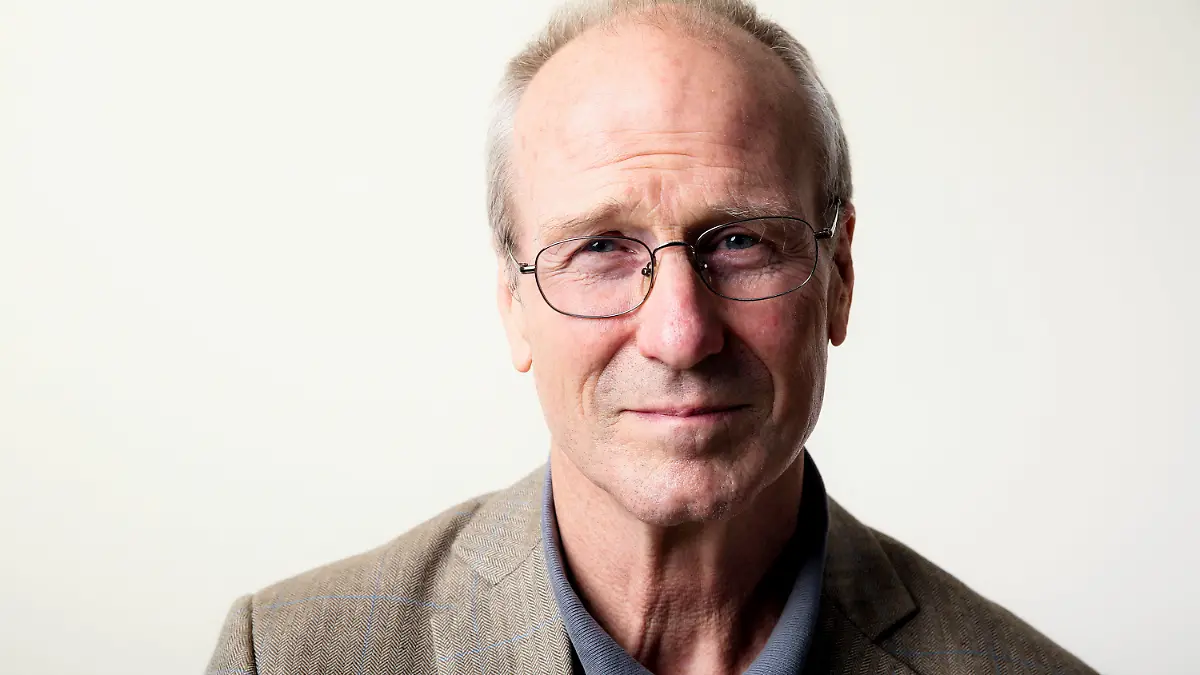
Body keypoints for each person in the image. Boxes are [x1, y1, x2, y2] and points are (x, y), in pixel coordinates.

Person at [207, 1, 1099, 673]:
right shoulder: (287, 655)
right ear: (513, 302)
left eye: (740, 241)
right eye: (600, 247)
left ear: (840, 276)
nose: (680, 332)